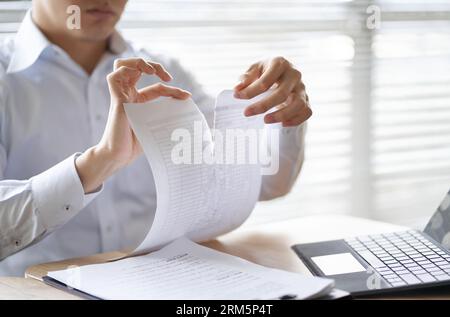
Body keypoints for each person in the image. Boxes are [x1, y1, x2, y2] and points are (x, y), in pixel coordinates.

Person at [0, 0, 312, 276]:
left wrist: (281, 118)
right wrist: (98, 163)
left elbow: (265, 183)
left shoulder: (164, 74)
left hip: (167, 283)